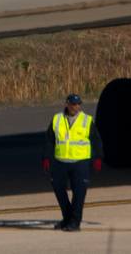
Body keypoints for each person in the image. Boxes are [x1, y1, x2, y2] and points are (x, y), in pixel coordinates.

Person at [42, 93, 102, 232]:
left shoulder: (86, 120)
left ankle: (75, 222)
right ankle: (67, 217)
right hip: (60, 161)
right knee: (58, 189)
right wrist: (46, 157)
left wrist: (98, 157)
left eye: (78, 104)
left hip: (80, 162)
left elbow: (96, 140)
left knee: (79, 193)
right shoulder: (57, 119)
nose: (76, 107)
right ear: (67, 104)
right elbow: (49, 140)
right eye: (73, 104)